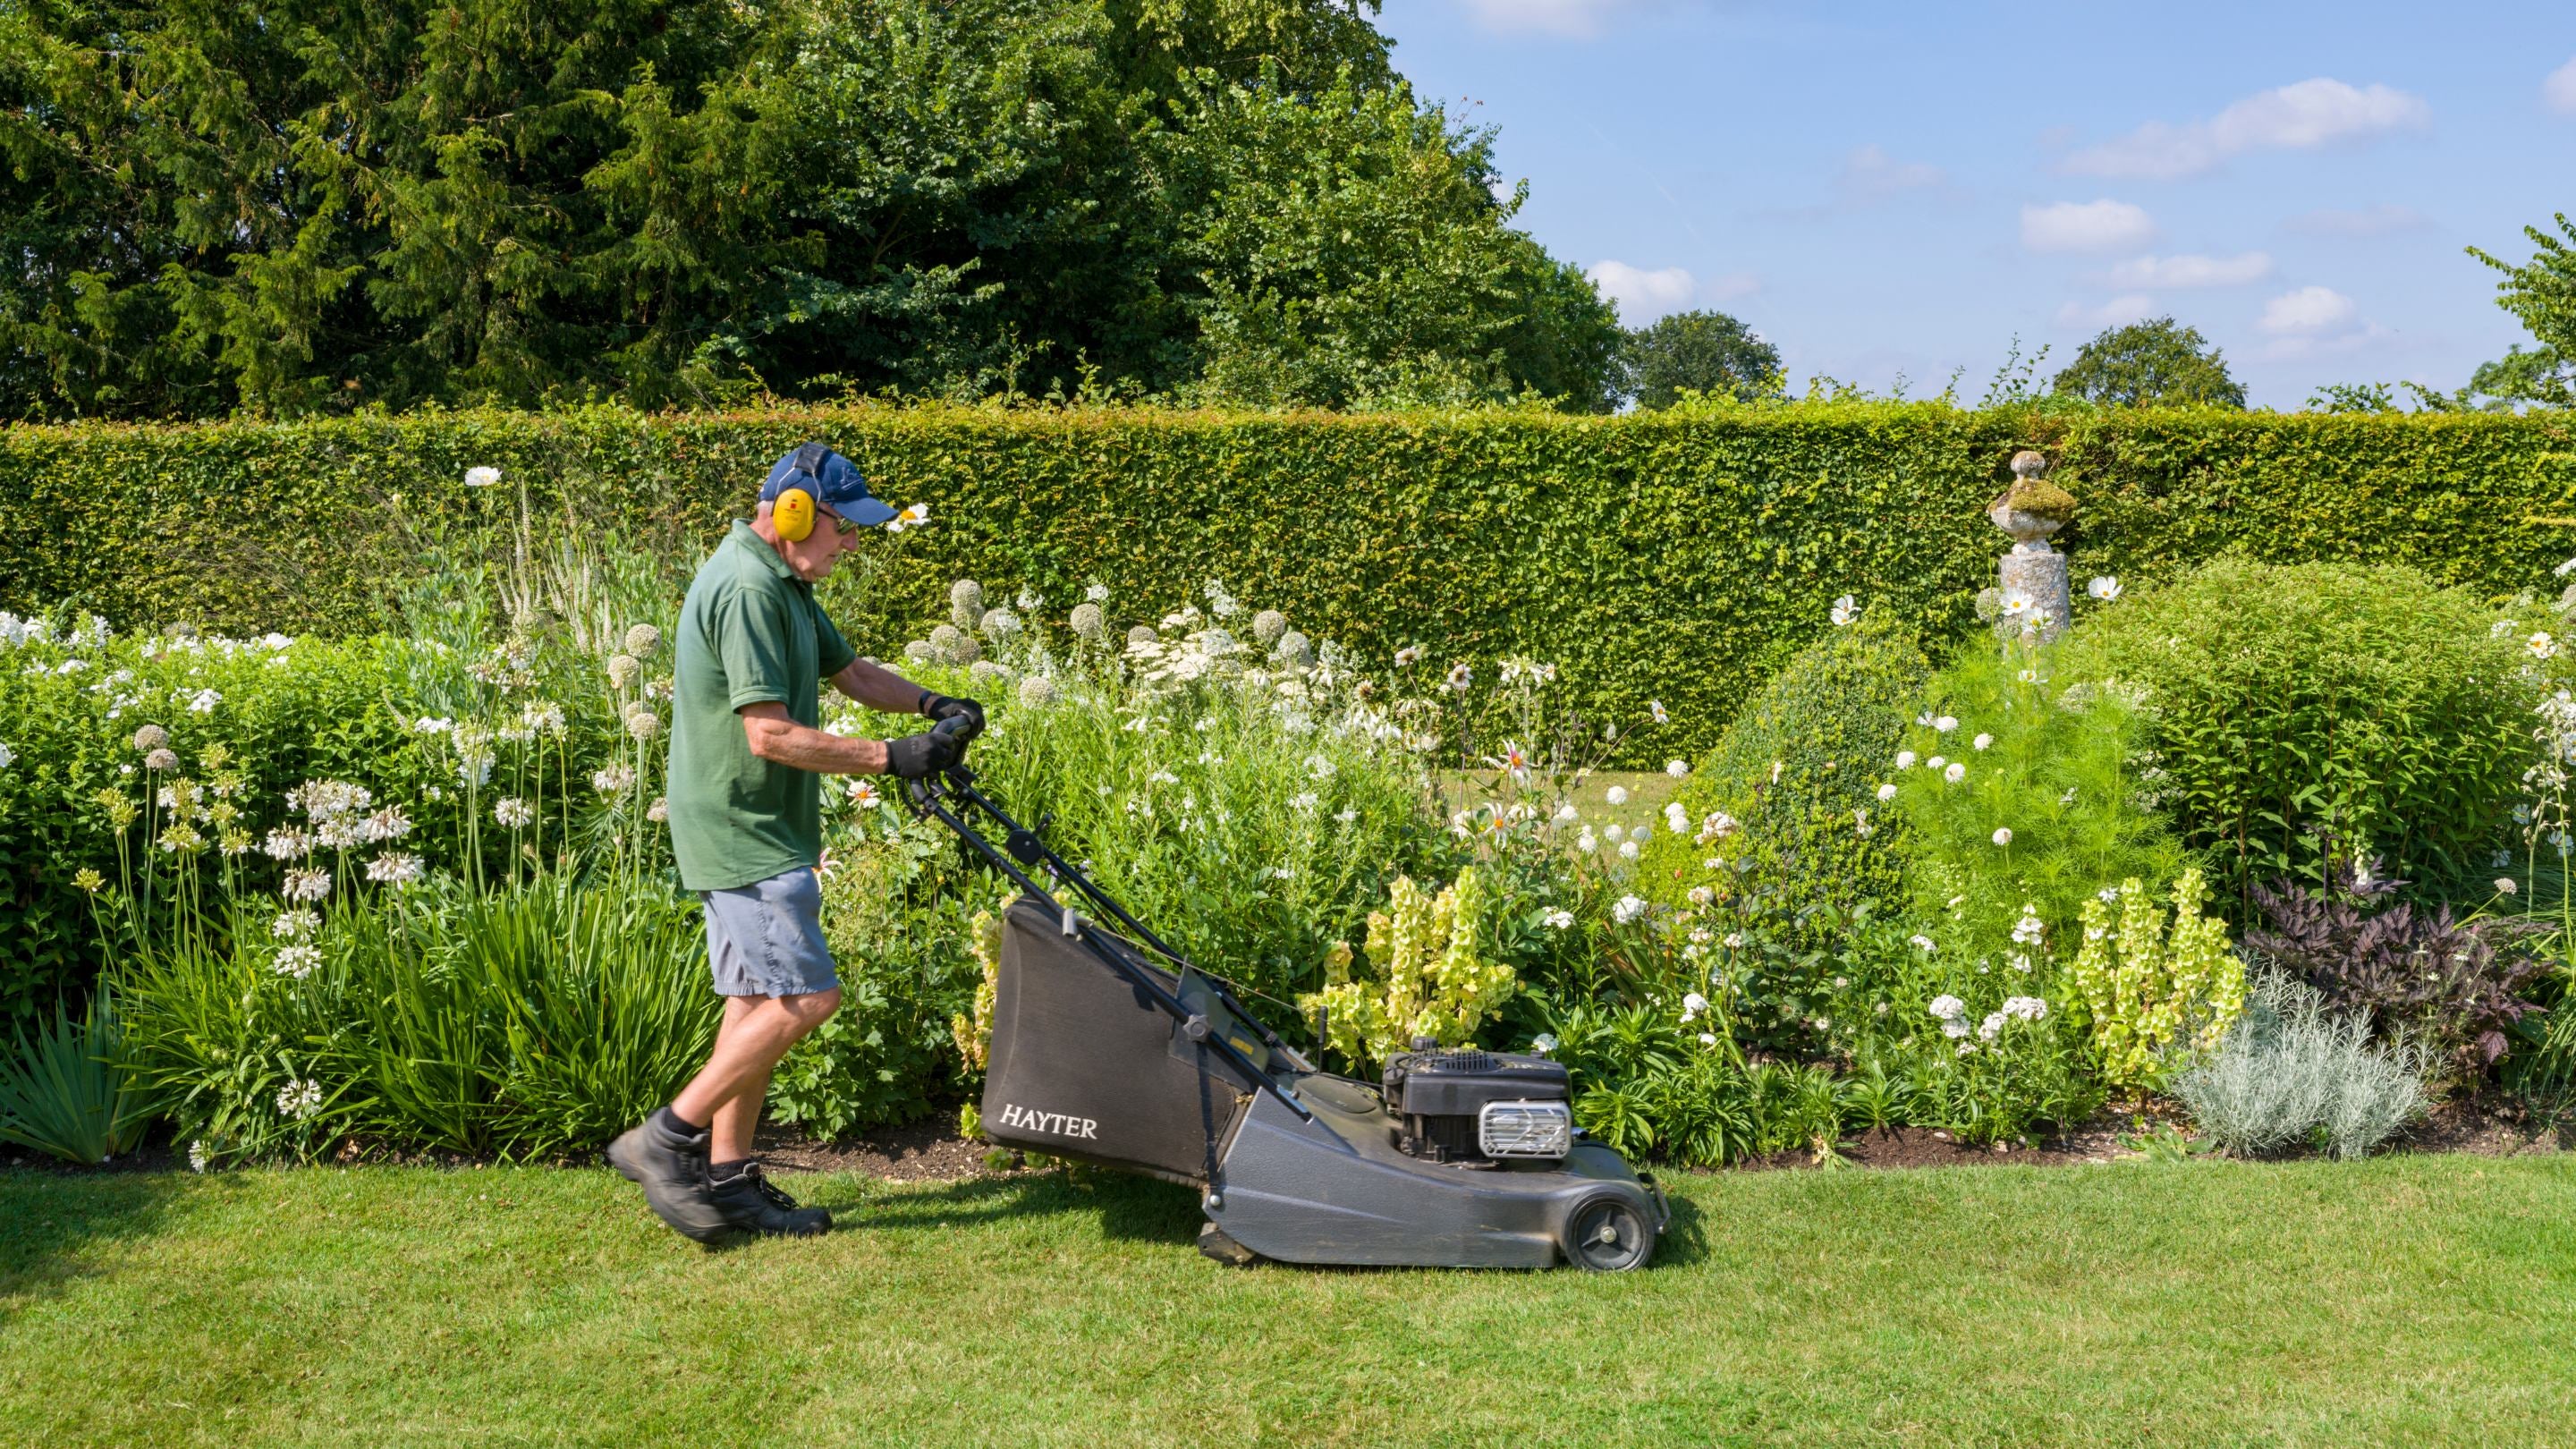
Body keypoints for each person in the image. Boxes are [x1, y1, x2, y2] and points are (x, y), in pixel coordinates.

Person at [607, 443, 983, 1242]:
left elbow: (850, 674)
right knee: (807, 999)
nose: (851, 545)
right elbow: (770, 736)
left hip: (760, 826)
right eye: (845, 528)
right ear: (794, 513)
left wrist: (934, 705)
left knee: (752, 1005)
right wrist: (889, 758)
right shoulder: (747, 587)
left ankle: (730, 1175)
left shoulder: (782, 579)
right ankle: (666, 1138)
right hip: (743, 827)